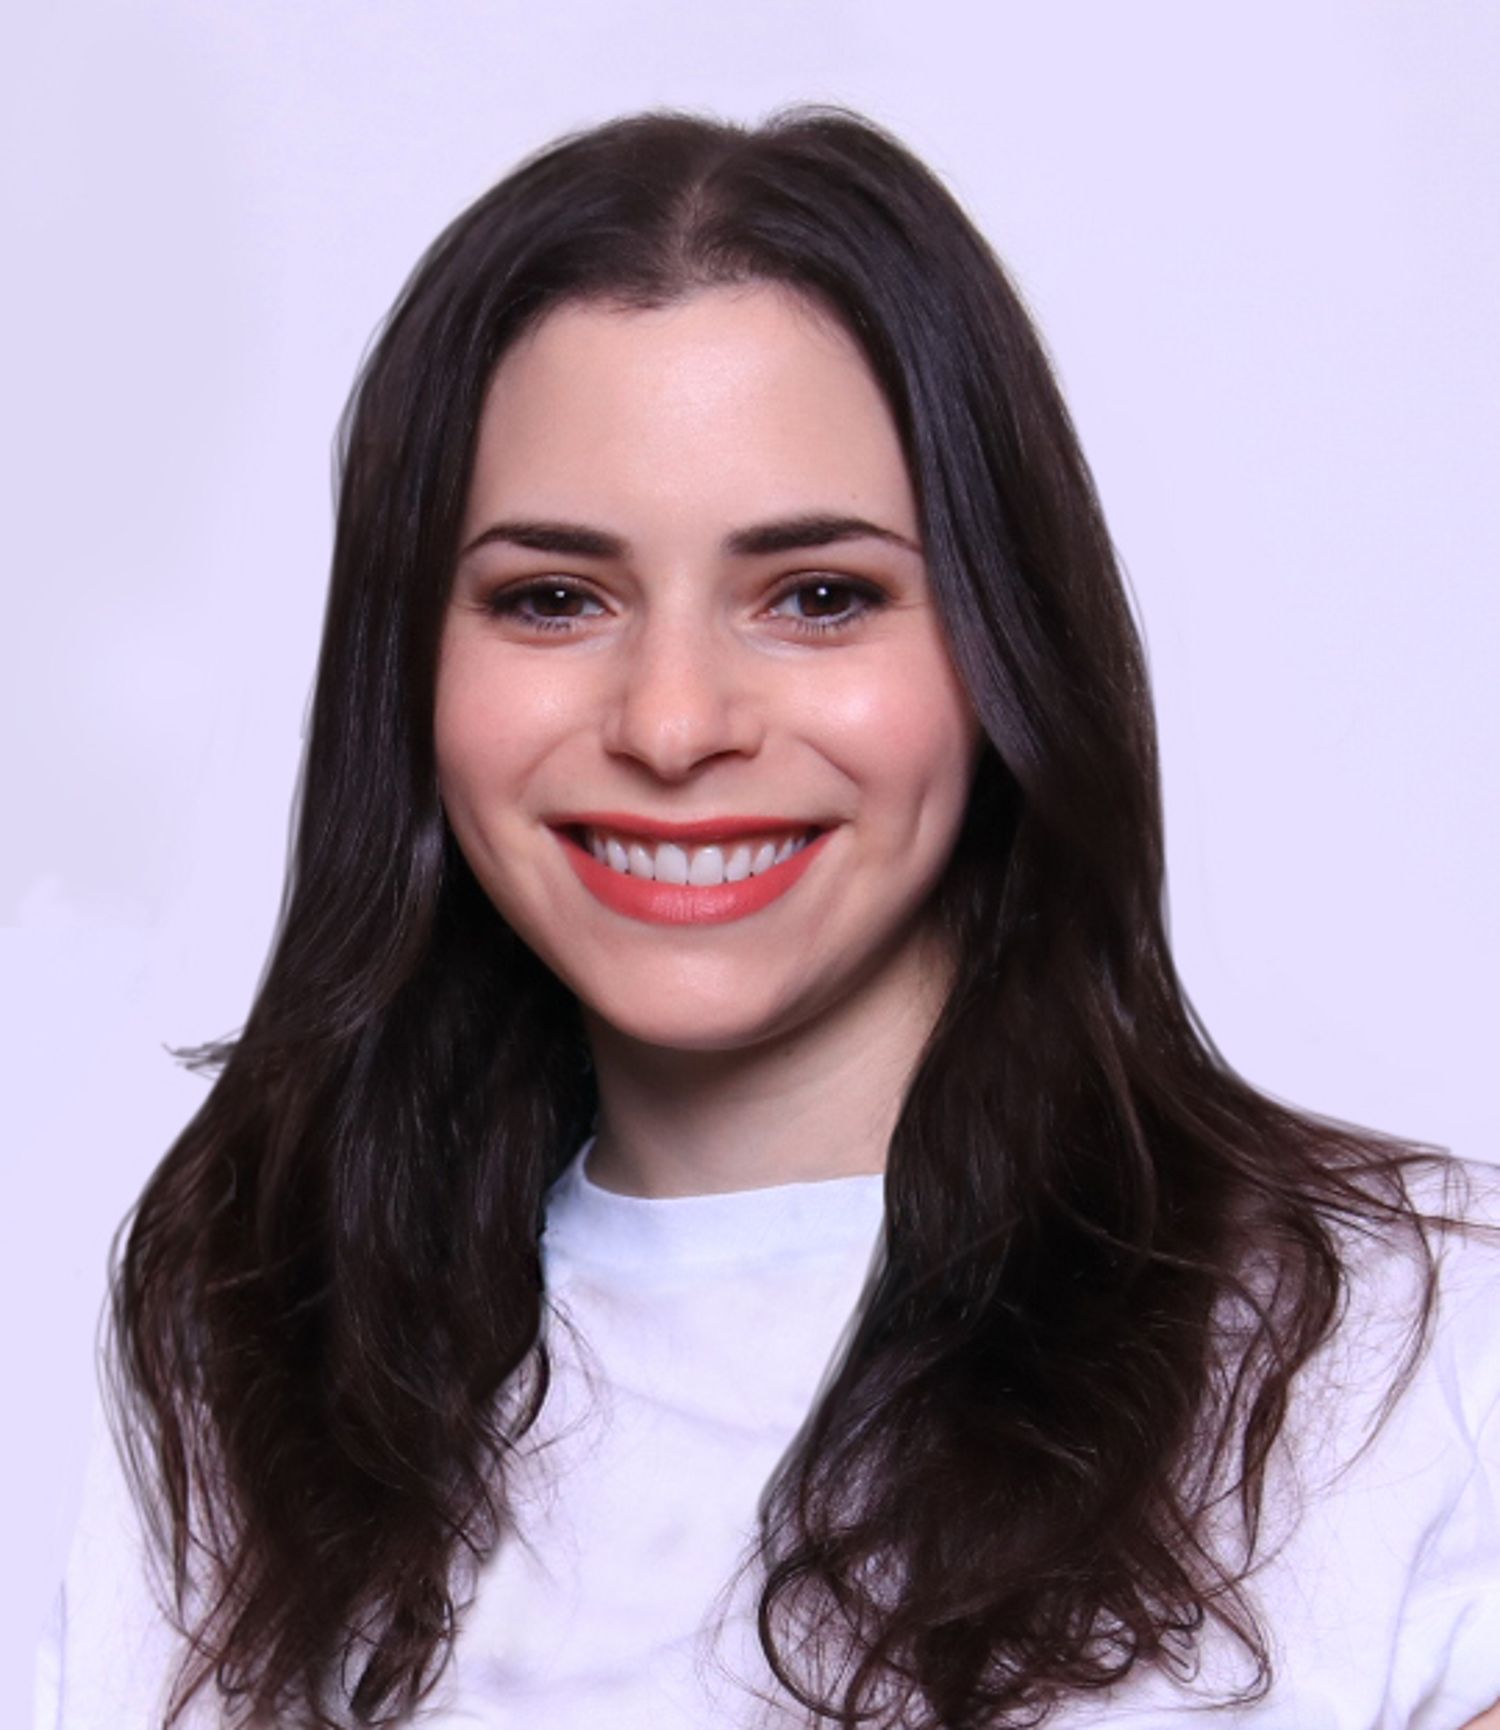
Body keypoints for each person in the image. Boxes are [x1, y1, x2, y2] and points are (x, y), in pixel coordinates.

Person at [34, 107, 1500, 1730]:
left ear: (1003, 646)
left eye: (818, 596)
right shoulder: (248, 1363)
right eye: (553, 598)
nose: (673, 723)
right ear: (413, 673)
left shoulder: (1408, 1348)